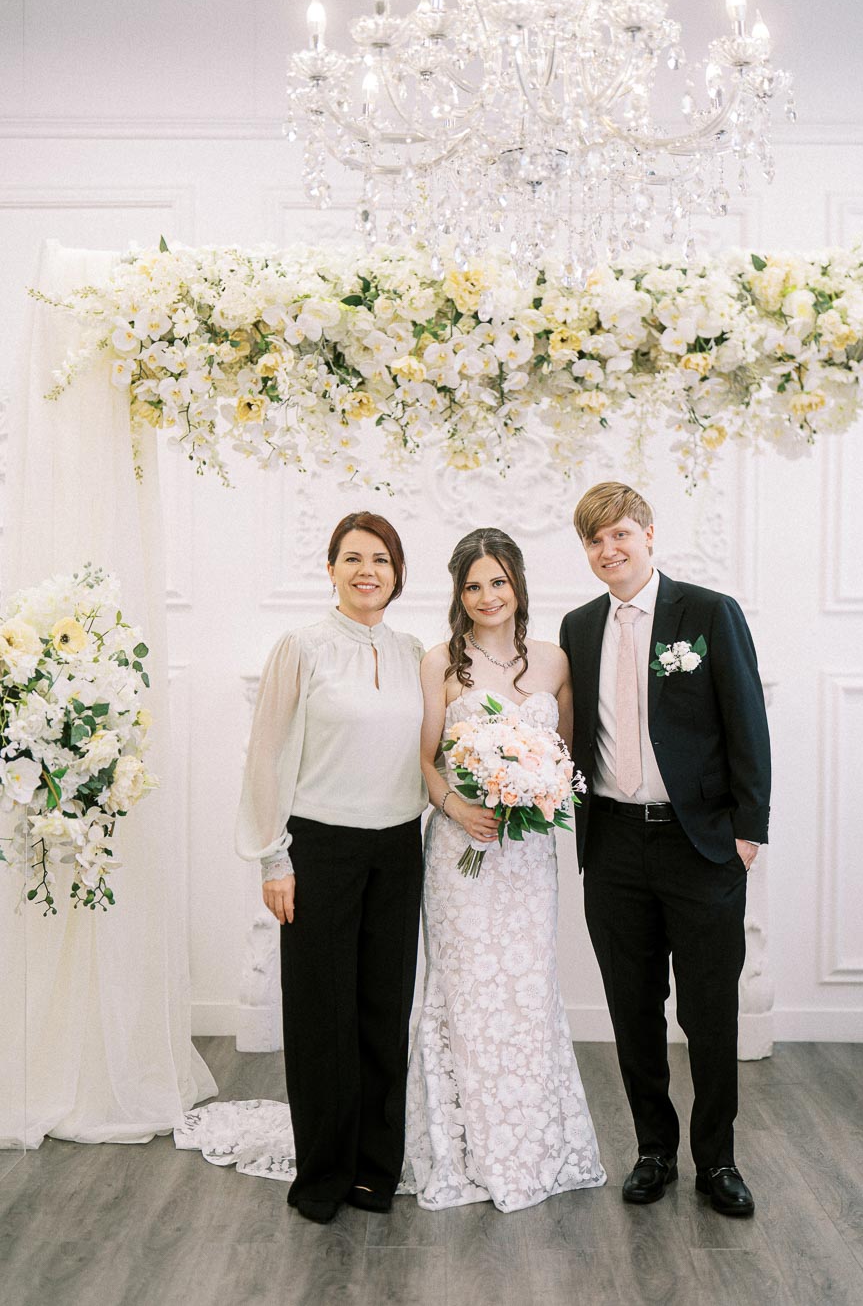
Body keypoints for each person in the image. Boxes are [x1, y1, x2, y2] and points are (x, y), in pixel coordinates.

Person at [559, 482, 770, 1217]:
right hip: (612, 845)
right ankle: (654, 1150)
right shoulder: (578, 627)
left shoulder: (707, 613)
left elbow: (747, 722)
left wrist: (748, 834)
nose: (608, 551)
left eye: (619, 535)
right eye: (594, 541)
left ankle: (716, 1161)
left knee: (709, 1012)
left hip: (701, 845)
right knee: (633, 1008)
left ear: (648, 534)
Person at [401, 528, 607, 1212]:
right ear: (459, 595)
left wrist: (530, 791)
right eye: (473, 585)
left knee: (523, 989)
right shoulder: (441, 663)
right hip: (461, 857)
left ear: (517, 583)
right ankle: (460, 1149)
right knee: (465, 991)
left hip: (526, 859)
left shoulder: (553, 662)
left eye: (498, 581)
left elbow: (565, 760)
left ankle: (532, 1143)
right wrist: (460, 807)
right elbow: (426, 760)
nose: (488, 596)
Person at [235, 512, 427, 1224]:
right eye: (352, 558)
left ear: (398, 572)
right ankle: (321, 1174)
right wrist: (273, 856)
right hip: (318, 850)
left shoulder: (414, 652)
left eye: (380, 558)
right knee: (321, 1017)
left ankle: (377, 1170)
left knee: (384, 1011)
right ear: (331, 570)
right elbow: (267, 754)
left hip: (399, 849)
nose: (366, 570)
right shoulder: (303, 648)